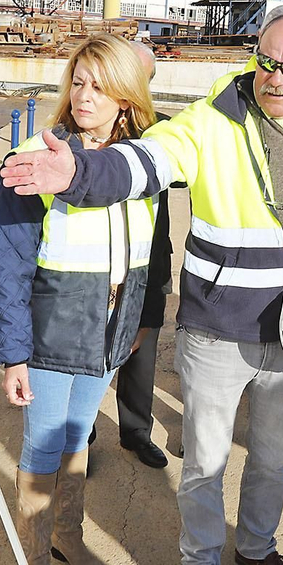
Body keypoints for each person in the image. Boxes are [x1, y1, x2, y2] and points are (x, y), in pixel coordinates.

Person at [0, 6, 283, 565]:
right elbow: (141, 165)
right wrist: (79, 172)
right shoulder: (208, 124)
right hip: (217, 331)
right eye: (266, 62)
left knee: (273, 458)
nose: (276, 77)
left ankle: (256, 548)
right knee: (203, 463)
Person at [0, 34, 159, 565]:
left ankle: (67, 538)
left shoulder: (140, 159)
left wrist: (139, 319)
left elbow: (149, 250)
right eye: (77, 81)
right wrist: (13, 356)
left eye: (99, 84)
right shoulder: (39, 155)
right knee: (39, 449)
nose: (84, 96)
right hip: (53, 332)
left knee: (79, 437)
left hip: (108, 331)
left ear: (126, 96)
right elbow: (5, 261)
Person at [89, 40, 172, 469]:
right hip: (88, 270)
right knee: (84, 352)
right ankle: (81, 436)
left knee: (141, 350)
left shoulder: (165, 135)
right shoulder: (79, 133)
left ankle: (136, 431)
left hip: (147, 264)